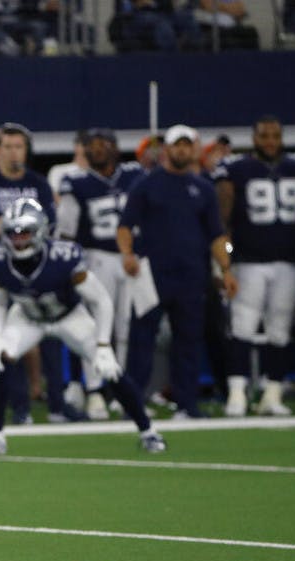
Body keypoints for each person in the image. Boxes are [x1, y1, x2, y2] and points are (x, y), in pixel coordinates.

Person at [0, 198, 165, 455]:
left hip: (69, 317)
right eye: (13, 233)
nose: (19, 240)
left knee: (110, 370)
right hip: (27, 317)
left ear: (41, 231)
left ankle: (149, 433)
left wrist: (102, 345)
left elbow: (101, 301)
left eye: (25, 233)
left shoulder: (62, 257)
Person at [118, 123, 238, 418]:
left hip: (191, 275)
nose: (182, 150)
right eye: (177, 145)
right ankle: (134, 404)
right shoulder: (147, 184)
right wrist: (127, 254)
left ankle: (187, 403)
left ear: (194, 149)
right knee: (141, 339)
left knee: (188, 340)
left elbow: (216, 234)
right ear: (167, 149)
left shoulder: (203, 188)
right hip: (152, 273)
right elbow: (125, 225)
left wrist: (226, 269)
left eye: (187, 144)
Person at [0, 122, 77, 424]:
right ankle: (20, 407)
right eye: (7, 146)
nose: (13, 152)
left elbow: (51, 222)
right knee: (10, 338)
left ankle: (57, 405)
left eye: (18, 146)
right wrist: (20, 238)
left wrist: (30, 242)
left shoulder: (39, 182)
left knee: (52, 332)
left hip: (40, 267)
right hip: (7, 267)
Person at [214, 116, 295, 416]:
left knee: (280, 329)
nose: (270, 141)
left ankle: (272, 394)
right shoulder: (237, 169)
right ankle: (237, 393)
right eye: (265, 136)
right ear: (254, 138)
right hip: (248, 260)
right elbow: (223, 218)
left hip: (287, 260)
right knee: (242, 325)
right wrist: (224, 264)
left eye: (275, 136)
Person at [56, 128, 145, 419]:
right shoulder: (76, 182)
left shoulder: (134, 175)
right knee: (96, 327)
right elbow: (67, 230)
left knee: (125, 328)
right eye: (91, 146)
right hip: (96, 258)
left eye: (103, 145)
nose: (98, 150)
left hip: (130, 258)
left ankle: (121, 390)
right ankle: (94, 391)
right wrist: (67, 265)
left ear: (115, 147)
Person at [47, 130, 89, 198]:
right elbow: (53, 196)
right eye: (84, 144)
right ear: (76, 146)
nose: (88, 148)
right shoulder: (58, 171)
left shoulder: (97, 174)